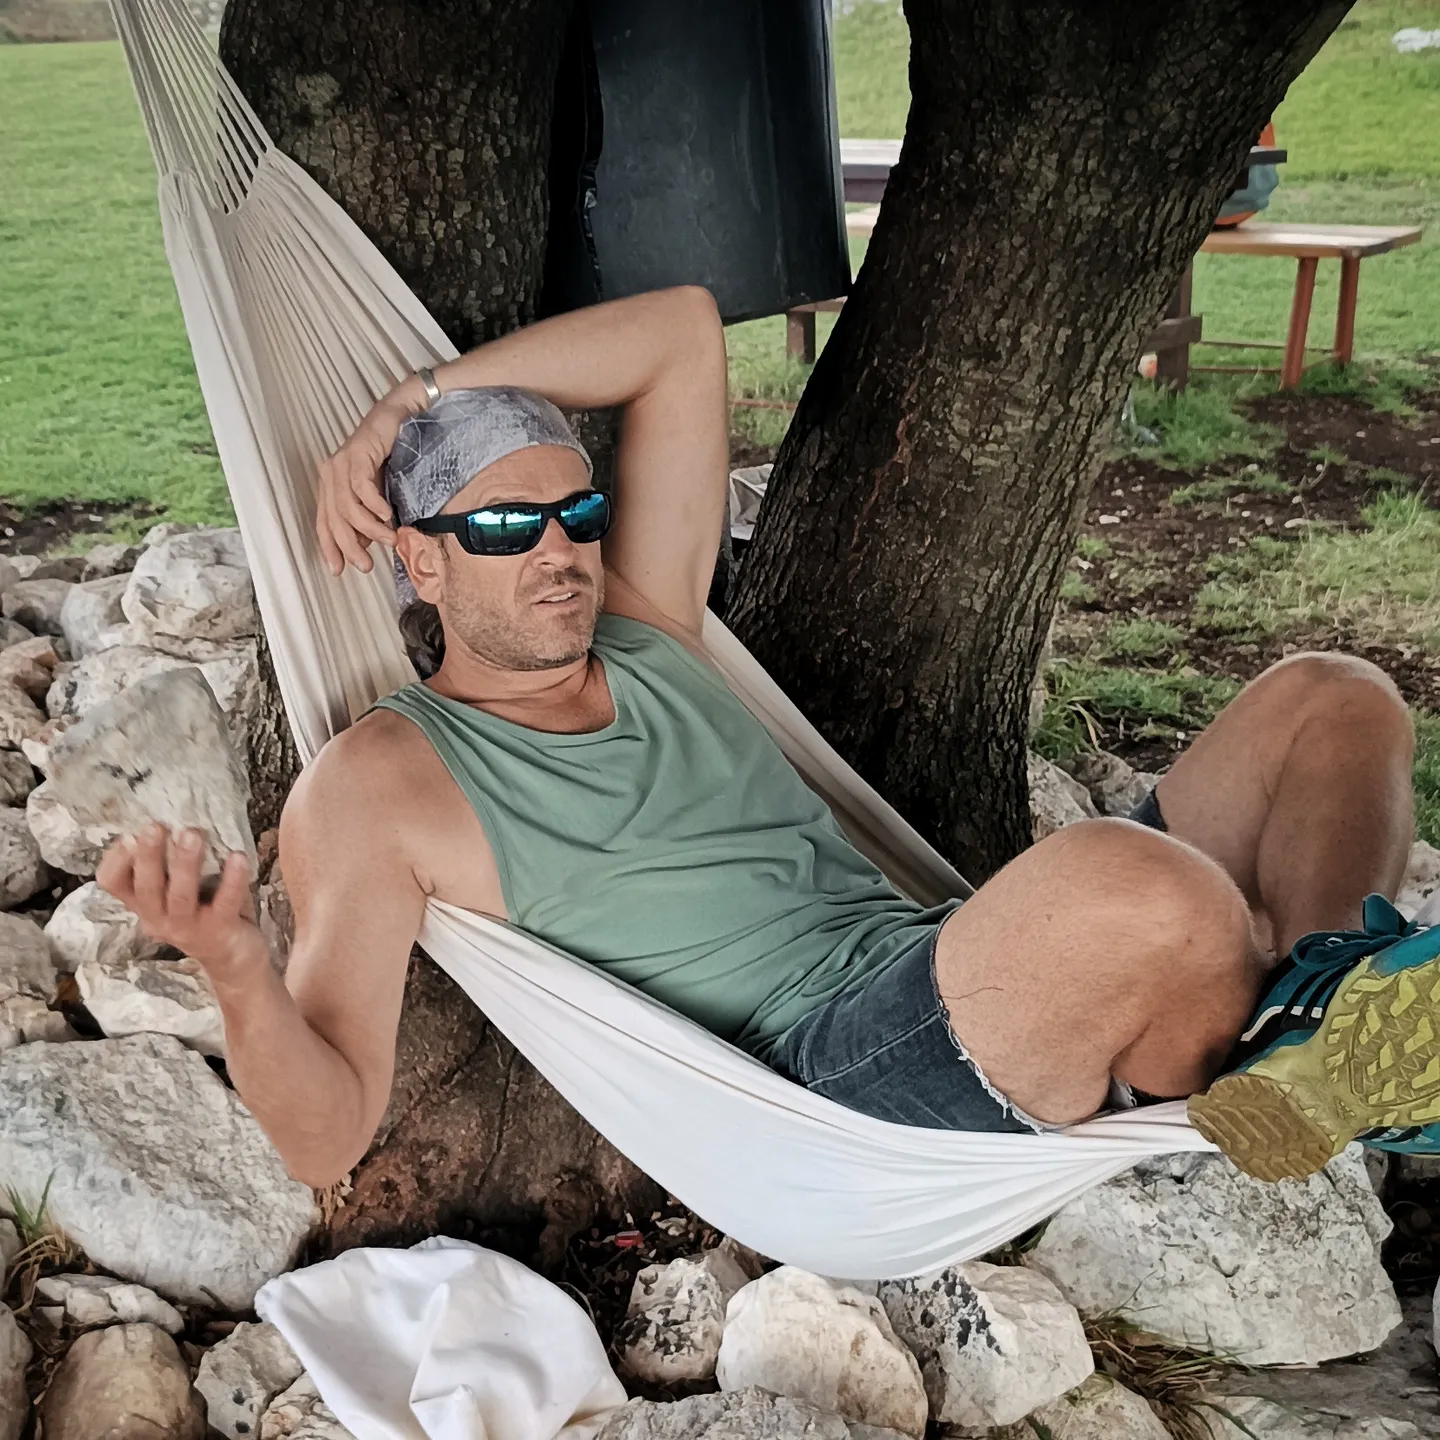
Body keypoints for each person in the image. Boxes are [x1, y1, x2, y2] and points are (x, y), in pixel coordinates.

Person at [96, 286, 1438, 1192]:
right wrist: (236, 969)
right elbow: (328, 1138)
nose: (559, 553)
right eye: (503, 529)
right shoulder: (381, 786)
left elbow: (679, 332)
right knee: (1145, 892)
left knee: (1336, 699)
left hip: (946, 960)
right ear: (419, 562)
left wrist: (416, 396)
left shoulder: (647, 625)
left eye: (577, 514)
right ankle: (1289, 1035)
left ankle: (1300, 1038)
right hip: (841, 1077)